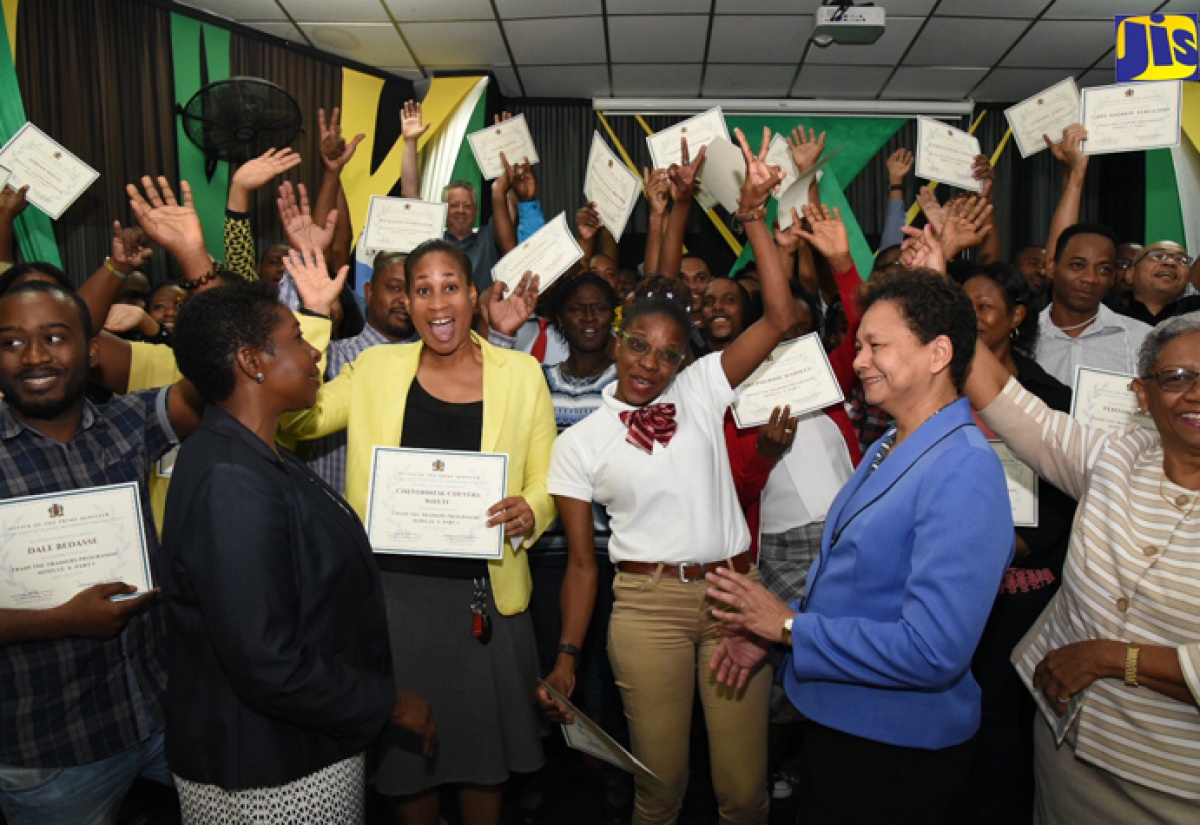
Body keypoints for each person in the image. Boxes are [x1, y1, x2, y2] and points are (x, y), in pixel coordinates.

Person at [543, 128, 797, 825]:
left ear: (685, 359)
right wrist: (568, 652)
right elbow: (582, 567)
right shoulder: (580, 441)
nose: (649, 364)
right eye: (638, 346)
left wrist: (752, 214)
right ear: (618, 338)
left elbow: (780, 316)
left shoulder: (703, 388)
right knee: (660, 787)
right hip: (646, 609)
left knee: (744, 792)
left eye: (667, 354)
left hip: (730, 597)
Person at [705, 267, 1014, 824]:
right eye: (861, 344)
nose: (858, 360)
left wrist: (789, 627)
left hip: (897, 748)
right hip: (844, 725)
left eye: (876, 346)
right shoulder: (889, 445)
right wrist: (776, 642)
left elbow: (932, 650)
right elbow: (853, 589)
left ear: (938, 353)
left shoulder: (964, 467)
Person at [279, 238, 555, 825]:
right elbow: (300, 420)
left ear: (473, 295)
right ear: (406, 300)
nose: (437, 302)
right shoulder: (376, 367)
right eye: (421, 289)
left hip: (485, 597)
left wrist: (532, 510)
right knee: (410, 769)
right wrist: (312, 320)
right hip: (394, 602)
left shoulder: (522, 373)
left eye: (449, 285)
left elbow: (546, 480)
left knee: (486, 764)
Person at [161, 277, 434, 824]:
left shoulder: (253, 453)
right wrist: (390, 704)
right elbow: (269, 663)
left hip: (302, 745)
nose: (314, 352)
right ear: (252, 361)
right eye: (296, 338)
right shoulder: (230, 480)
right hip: (269, 773)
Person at [965, 310, 1200, 823]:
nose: (1196, 393)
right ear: (1142, 395)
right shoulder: (1116, 456)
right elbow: (1011, 406)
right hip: (1067, 747)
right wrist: (937, 278)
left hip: (1175, 785)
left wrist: (1113, 658)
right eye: (1177, 377)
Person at [0, 280, 202, 825]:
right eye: (12, 342)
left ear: (91, 350)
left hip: (163, 714)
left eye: (56, 337)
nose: (36, 356)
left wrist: (196, 269)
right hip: (50, 752)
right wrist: (62, 620)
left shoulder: (128, 422)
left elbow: (214, 381)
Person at [957, 262, 1078, 824]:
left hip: (1021, 592)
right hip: (953, 585)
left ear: (1016, 317)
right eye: (964, 306)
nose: (973, 317)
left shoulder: (1049, 395)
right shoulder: (936, 387)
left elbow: (1063, 491)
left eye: (985, 306)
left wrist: (1017, 548)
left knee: (1004, 721)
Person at [1119, 241, 1198, 325]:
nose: (1170, 263)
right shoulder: (1110, 318)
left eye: (1181, 260)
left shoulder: (1196, 317)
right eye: (1157, 256)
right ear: (1130, 274)